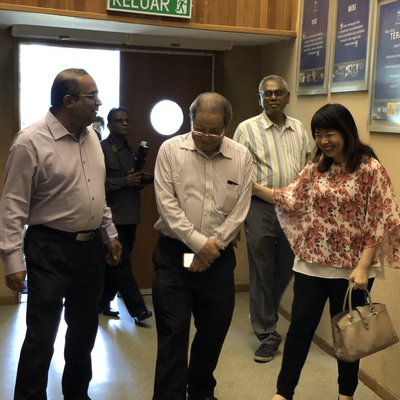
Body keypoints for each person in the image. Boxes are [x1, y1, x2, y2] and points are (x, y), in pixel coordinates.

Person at [252, 103, 400, 400]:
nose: (323, 141)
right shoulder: (317, 166)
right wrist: (253, 187)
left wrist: (363, 266)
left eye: (329, 133)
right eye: (318, 134)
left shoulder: (369, 168)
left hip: (352, 269)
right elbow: (292, 197)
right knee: (300, 328)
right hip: (311, 264)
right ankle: (283, 393)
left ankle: (346, 394)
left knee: (349, 334)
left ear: (346, 131)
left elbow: (379, 217)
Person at [0, 68, 122, 400]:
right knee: (42, 336)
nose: (99, 103)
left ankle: (77, 395)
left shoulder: (92, 137)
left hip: (89, 250)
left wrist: (109, 234)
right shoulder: (30, 142)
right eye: (92, 96)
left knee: (84, 333)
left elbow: (96, 193)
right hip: (49, 247)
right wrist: (12, 260)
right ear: (68, 101)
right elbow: (12, 204)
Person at [152, 92, 253, 400]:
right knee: (173, 332)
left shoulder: (241, 156)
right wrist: (198, 244)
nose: (206, 136)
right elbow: (167, 205)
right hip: (174, 257)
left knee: (214, 330)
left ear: (226, 126)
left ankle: (200, 391)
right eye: (200, 128)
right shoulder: (170, 150)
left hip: (217, 260)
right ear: (190, 120)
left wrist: (211, 248)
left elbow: (240, 209)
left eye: (214, 131)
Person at [233, 75, 311, 362]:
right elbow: (236, 171)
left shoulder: (298, 128)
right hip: (261, 207)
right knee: (262, 268)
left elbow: (308, 166)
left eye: (278, 93)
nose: (273, 98)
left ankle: (268, 313)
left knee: (288, 267)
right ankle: (267, 333)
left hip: (293, 210)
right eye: (267, 94)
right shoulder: (246, 129)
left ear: (288, 97)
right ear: (260, 98)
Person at [98, 106, 153, 323]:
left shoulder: (132, 150)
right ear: (110, 125)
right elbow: (97, 184)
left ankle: (102, 302)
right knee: (121, 263)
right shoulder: (101, 149)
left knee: (115, 262)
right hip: (112, 218)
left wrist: (143, 179)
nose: (125, 124)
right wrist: (125, 181)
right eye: (120, 121)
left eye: (127, 120)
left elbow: (134, 180)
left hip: (131, 216)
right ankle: (138, 309)